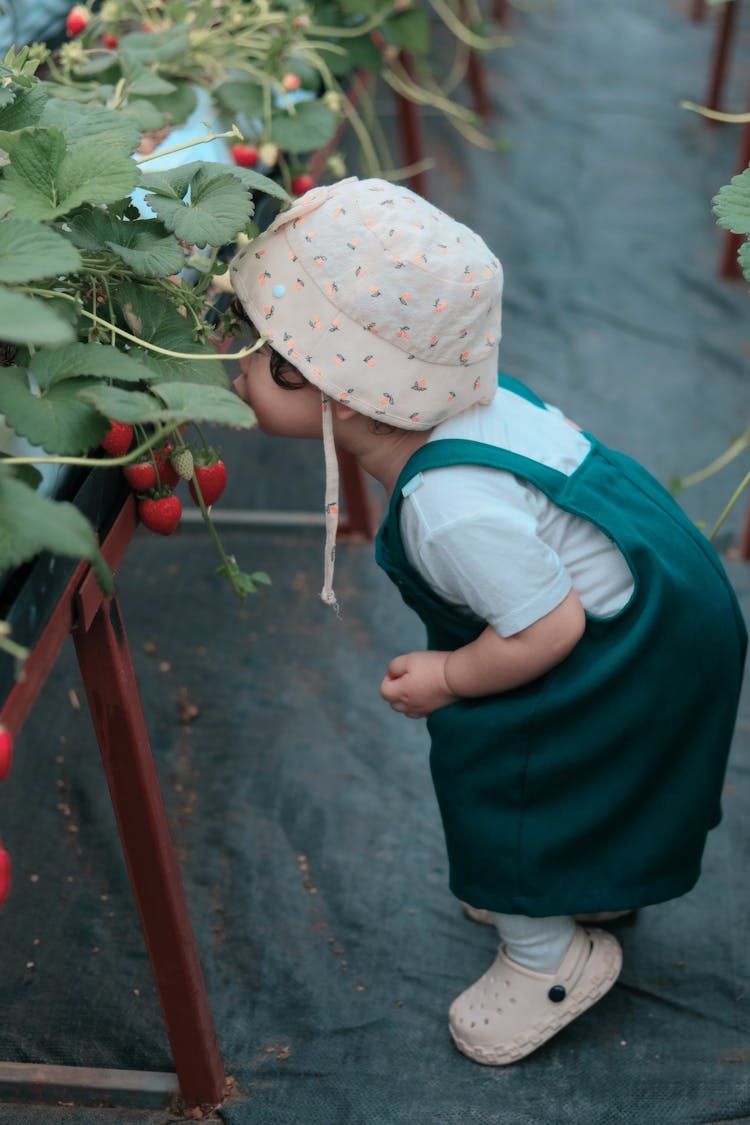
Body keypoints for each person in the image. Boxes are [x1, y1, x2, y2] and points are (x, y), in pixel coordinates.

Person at [229, 176, 747, 1065]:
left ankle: (550, 956)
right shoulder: (465, 409)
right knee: (577, 781)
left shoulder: (448, 507)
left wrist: (448, 677)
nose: (236, 366)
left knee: (500, 782)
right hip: (657, 602)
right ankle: (589, 877)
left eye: (266, 354)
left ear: (344, 396)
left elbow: (546, 634)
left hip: (629, 644)